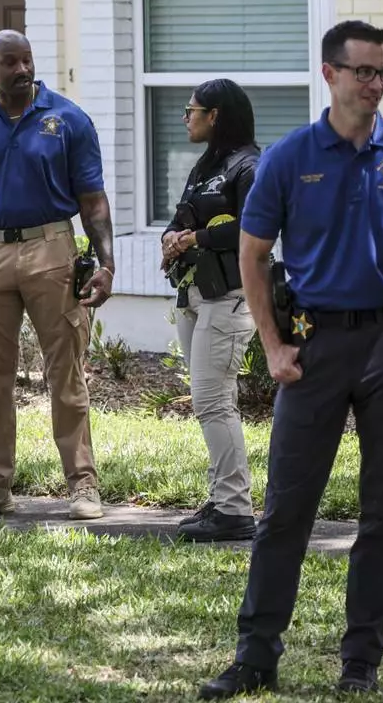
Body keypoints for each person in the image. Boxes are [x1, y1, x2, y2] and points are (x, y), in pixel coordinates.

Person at [197, 21, 383, 699]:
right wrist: (273, 345)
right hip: (314, 346)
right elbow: (252, 254)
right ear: (330, 74)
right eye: (363, 71)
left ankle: (361, 662)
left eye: (382, 72)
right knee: (286, 508)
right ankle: (255, 657)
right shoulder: (289, 158)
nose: (375, 84)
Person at [0, 29, 116, 520]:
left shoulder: (68, 119)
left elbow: (93, 201)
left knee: (65, 373)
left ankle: (83, 486)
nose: (22, 70)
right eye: (10, 62)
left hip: (52, 248)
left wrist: (105, 263)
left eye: (27, 60)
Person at [160, 78, 261, 542]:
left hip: (231, 296)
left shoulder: (250, 166)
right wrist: (171, 235)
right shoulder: (207, 164)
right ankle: (223, 498)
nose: (186, 118)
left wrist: (195, 238)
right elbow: (183, 214)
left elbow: (255, 228)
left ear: (215, 115)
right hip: (196, 294)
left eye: (192, 110)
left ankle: (235, 510)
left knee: (213, 400)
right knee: (213, 401)